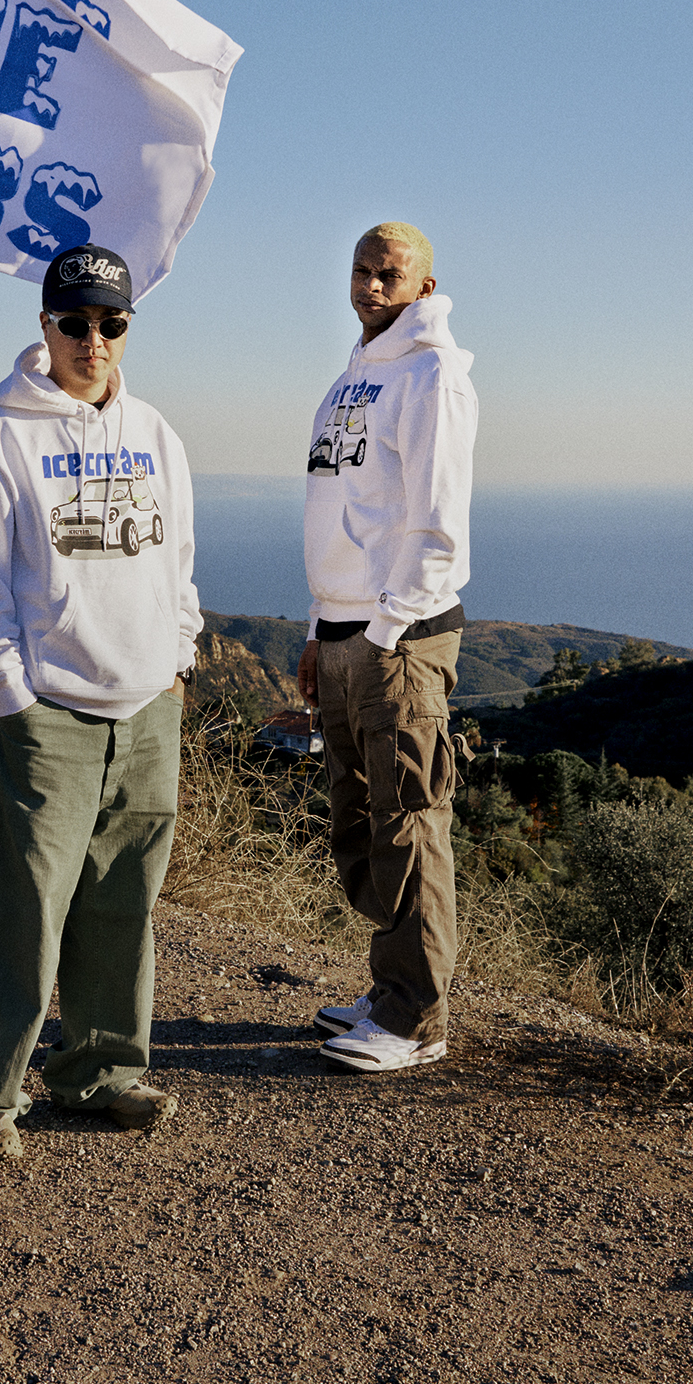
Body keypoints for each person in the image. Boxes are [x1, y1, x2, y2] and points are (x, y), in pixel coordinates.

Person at [0, 243, 201, 1164]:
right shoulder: (1, 432)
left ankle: (99, 1073)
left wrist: (178, 660)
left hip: (146, 709)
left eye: (112, 323)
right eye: (76, 322)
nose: (94, 340)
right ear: (44, 324)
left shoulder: (156, 430)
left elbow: (177, 564)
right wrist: (10, 695)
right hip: (46, 710)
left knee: (122, 901)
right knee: (23, 909)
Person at [298, 223, 479, 1073]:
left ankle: (416, 1021)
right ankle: (388, 987)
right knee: (361, 818)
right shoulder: (354, 376)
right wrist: (317, 627)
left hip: (396, 639)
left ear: (424, 286)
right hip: (342, 629)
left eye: (390, 274)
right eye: (363, 271)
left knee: (409, 821)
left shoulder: (432, 376)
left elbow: (436, 528)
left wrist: (382, 632)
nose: (372, 286)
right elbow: (342, 513)